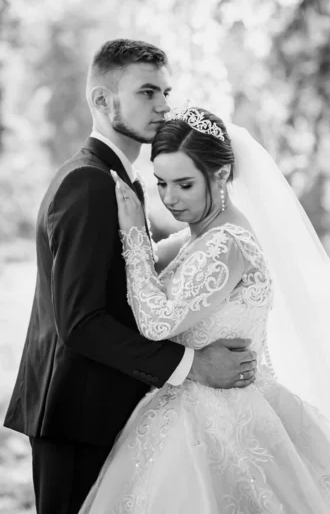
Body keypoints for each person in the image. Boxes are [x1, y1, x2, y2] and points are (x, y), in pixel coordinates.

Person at [79, 106, 330, 513]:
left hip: (226, 419)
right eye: (161, 183)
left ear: (222, 175)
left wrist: (133, 236)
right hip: (185, 408)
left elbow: (158, 322)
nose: (170, 198)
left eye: (185, 184)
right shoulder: (198, 238)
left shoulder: (226, 243)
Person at [3, 40, 256, 514]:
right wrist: (191, 365)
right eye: (146, 92)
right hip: (77, 419)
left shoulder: (118, 181)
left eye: (166, 91)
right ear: (102, 101)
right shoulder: (88, 184)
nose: (163, 105)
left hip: (104, 412)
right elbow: (79, 322)